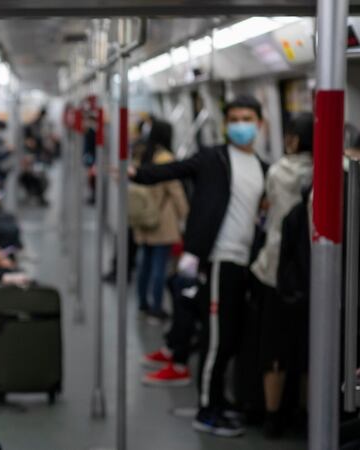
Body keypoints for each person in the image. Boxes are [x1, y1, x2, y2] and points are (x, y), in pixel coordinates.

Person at [132, 95, 268, 437]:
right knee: (217, 339)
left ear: (260, 123)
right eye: (234, 118)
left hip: (245, 262)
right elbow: (175, 170)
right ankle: (207, 409)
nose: (241, 124)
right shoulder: (214, 158)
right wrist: (136, 172)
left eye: (247, 118)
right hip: (219, 258)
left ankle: (222, 402)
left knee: (233, 338)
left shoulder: (265, 168)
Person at [249, 113, 313, 438]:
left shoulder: (277, 171)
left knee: (274, 347)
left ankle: (273, 417)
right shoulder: (330, 172)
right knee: (309, 350)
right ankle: (305, 413)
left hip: (276, 270)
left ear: (292, 139)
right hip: (314, 275)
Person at [133, 120, 189, 322]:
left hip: (144, 216)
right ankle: (156, 307)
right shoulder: (165, 158)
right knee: (159, 266)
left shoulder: (141, 154)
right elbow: (175, 191)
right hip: (162, 219)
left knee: (144, 263)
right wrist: (186, 217)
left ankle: (142, 302)